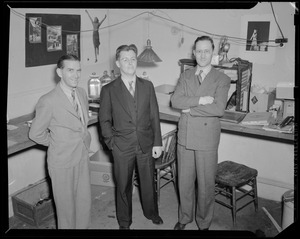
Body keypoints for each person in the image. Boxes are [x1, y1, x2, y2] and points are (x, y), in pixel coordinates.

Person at [99, 44, 163, 230]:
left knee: (148, 183)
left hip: (146, 144)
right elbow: (104, 121)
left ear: (137, 61)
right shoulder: (108, 90)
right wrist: (112, 143)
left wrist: (157, 143)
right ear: (118, 63)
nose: (129, 63)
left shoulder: (147, 86)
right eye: (125, 59)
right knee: (123, 186)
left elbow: (154, 116)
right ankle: (124, 221)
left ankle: (152, 212)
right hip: (122, 146)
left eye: (133, 59)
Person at [171, 36, 231, 230]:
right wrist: (201, 100)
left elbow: (219, 108)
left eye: (206, 51)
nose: (202, 55)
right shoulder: (185, 76)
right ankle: (184, 217)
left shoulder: (222, 79)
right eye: (199, 51)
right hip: (186, 136)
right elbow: (176, 102)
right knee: (184, 182)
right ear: (194, 53)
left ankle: (204, 222)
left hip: (206, 139)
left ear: (212, 53)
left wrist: (191, 109)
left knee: (205, 186)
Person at [29, 54, 92, 229]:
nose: (76, 75)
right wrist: (58, 143)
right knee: (66, 210)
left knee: (84, 204)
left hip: (82, 156)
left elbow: (81, 123)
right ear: (59, 72)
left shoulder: (81, 93)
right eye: (70, 70)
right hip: (62, 161)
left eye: (78, 70)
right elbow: (35, 133)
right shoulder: (47, 100)